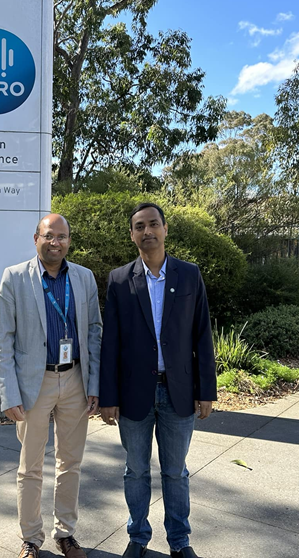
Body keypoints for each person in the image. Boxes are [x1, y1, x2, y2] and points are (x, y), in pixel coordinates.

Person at [99, 202, 216, 558]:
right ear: (132, 234)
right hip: (134, 393)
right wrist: (108, 396)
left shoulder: (189, 275)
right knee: (135, 471)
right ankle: (138, 537)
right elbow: (111, 343)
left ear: (165, 229)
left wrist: (206, 390)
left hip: (178, 392)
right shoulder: (120, 280)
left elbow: (202, 335)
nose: (147, 231)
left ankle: (179, 542)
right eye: (139, 226)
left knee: (176, 473)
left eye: (153, 224)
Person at [0, 213, 102, 558]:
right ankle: (31, 538)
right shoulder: (14, 278)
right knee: (31, 465)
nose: (56, 242)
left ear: (69, 240)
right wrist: (8, 392)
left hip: (74, 379)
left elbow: (94, 333)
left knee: (71, 462)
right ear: (36, 238)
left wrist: (95, 384)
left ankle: (66, 533)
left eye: (63, 237)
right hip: (32, 383)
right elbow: (3, 341)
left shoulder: (84, 278)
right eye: (49, 236)